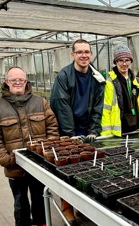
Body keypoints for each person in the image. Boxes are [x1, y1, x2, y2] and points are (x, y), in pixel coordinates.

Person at [0, 66, 59, 226]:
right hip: (14, 165)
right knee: (20, 203)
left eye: (21, 79)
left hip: (39, 164)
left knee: (40, 200)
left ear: (26, 81)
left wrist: (47, 152)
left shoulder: (41, 103)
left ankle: (41, 223)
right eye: (14, 80)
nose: (18, 82)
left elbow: (52, 128)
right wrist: (6, 160)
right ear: (6, 82)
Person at [50, 39, 105, 225]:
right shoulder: (64, 76)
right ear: (72, 55)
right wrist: (69, 133)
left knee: (88, 170)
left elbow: (98, 106)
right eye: (79, 52)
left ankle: (85, 207)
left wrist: (94, 130)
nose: (84, 55)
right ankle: (67, 208)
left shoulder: (97, 77)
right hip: (69, 131)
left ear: (91, 54)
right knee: (68, 170)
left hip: (87, 131)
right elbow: (60, 104)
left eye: (87, 52)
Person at [101, 43, 139, 137]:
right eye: (120, 61)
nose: (124, 64)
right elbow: (106, 110)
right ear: (115, 62)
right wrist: (107, 134)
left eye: (127, 60)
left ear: (131, 61)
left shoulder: (137, 82)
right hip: (119, 132)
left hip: (136, 129)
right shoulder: (110, 83)